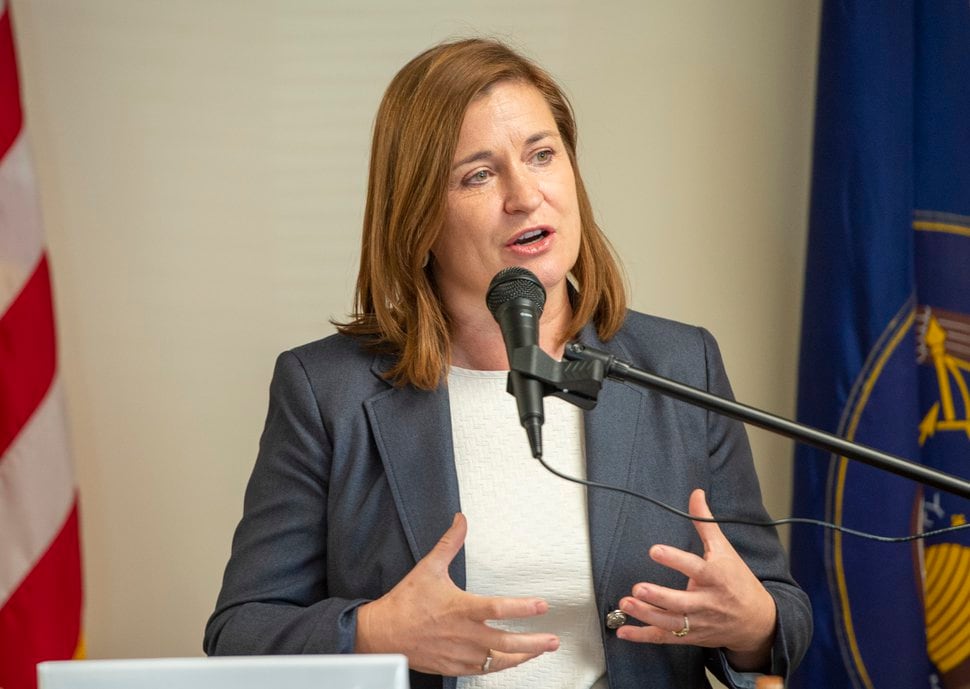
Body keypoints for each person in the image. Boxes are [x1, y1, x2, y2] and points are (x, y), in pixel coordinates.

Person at [204, 38, 812, 689]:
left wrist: (755, 624)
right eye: (478, 174)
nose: (525, 194)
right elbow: (240, 631)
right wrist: (376, 632)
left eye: (542, 155)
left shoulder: (679, 363)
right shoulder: (328, 391)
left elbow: (782, 614)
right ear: (417, 218)